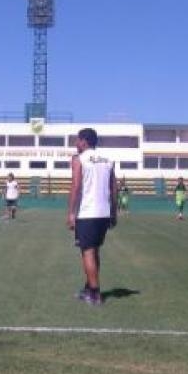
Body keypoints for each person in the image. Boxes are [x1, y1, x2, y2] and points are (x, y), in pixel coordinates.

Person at [67, 128, 116, 306]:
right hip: (103, 213)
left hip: (87, 213)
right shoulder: (108, 160)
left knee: (87, 252)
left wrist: (71, 212)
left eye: (77, 140)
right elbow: (114, 188)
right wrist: (114, 212)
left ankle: (95, 294)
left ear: (84, 141)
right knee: (94, 251)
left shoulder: (79, 159)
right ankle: (89, 288)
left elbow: (75, 186)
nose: (76, 143)